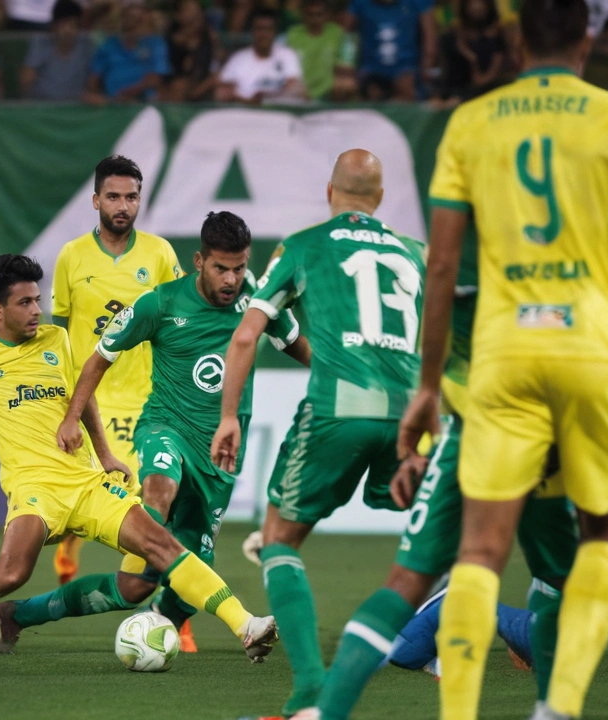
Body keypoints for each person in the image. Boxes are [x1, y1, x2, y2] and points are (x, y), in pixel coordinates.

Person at [399, 0, 608, 716]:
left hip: (504, 351)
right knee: (600, 540)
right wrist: (596, 278)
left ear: (519, 39)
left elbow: (441, 268)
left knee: (481, 551)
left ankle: (458, 712)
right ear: (587, 41)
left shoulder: (471, 122)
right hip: (595, 349)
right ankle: (556, 710)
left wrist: (428, 385)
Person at [0, 254, 279, 661]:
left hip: (87, 483)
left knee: (159, 546)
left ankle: (247, 626)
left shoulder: (56, 340)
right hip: (34, 490)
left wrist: (106, 454)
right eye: (25, 302)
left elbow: (83, 396)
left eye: (38, 299)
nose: (37, 309)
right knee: (8, 575)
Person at [295, 280, 608, 720]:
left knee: (470, 570)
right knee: (591, 552)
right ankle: (553, 706)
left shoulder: (485, 244)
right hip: (576, 382)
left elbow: (445, 287)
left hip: (506, 396)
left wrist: (428, 393)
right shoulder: (590, 253)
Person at [0, 211, 311, 651]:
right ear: (198, 261)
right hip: (166, 427)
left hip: (218, 454)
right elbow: (98, 358)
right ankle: (138, 537)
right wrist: (71, 417)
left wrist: (340, 379)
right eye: (222, 267)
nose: (232, 279)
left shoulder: (258, 299)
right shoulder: (159, 304)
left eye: (240, 267)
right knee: (159, 483)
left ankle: (21, 614)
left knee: (140, 586)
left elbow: (296, 345)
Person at [211, 149, 426, 717]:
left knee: (279, 540)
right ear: (380, 199)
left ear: (331, 192)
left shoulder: (305, 246)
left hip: (338, 407)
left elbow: (245, 336)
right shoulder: (418, 254)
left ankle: (309, 694)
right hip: (411, 414)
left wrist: (229, 415)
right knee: (438, 540)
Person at [46, 154, 184, 634]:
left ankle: (172, 610)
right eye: (113, 196)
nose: (123, 205)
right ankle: (69, 546)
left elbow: (178, 325)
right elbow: (61, 334)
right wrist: (66, 404)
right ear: (95, 200)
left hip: (148, 404)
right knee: (87, 512)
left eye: (131, 197)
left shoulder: (160, 255)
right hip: (91, 409)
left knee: (155, 513)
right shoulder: (70, 256)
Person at [346, 0, 438, 101]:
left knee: (406, 86)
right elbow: (347, 33)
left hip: (406, 68)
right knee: (354, 88)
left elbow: (430, 39)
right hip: (370, 69)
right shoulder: (359, 3)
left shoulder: (418, 3)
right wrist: (348, 69)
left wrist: (426, 68)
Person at [85, 3, 170, 103]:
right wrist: (93, 94)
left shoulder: (156, 44)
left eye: (137, 19)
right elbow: (94, 76)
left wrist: (129, 93)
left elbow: (155, 79)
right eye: (127, 17)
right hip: (112, 103)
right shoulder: (109, 44)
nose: (131, 22)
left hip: (144, 101)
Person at [216, 9, 305, 103]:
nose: (264, 34)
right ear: (252, 31)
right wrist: (251, 101)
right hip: (244, 113)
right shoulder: (238, 58)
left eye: (268, 29)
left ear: (275, 32)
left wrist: (263, 99)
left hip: (279, 114)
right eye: (259, 29)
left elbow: (296, 90)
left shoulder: (288, 55)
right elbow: (222, 92)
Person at [21, 0, 94, 101]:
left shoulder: (86, 45)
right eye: (63, 25)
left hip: (75, 108)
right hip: (43, 107)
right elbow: (26, 79)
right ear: (54, 26)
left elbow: (93, 81)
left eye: (72, 25)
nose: (68, 30)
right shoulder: (40, 43)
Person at [435, 0, 507, 103]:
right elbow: (444, 73)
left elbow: (481, 81)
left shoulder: (495, 39)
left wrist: (472, 60)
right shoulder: (450, 38)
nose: (476, 6)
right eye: (472, 2)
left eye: (480, 2)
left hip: (483, 97)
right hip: (453, 95)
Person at [283, 0, 352, 101]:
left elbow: (344, 65)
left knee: (347, 84)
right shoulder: (293, 35)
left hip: (328, 89)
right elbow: (286, 66)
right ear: (303, 15)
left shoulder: (337, 33)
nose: (314, 19)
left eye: (319, 14)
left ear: (327, 15)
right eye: (310, 14)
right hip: (300, 88)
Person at [165, 0, 221, 102]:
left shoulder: (208, 36)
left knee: (215, 79)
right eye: (188, 9)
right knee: (179, 85)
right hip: (178, 78)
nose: (193, 13)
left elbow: (219, 59)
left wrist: (215, 43)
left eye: (195, 10)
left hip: (202, 79)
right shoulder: (174, 36)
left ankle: (193, 98)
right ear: (179, 15)